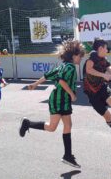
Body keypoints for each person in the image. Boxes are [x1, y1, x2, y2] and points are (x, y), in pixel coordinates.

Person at [18, 40, 85, 168]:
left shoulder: (63, 66)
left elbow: (47, 75)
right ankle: (28, 123)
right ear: (74, 56)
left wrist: (35, 84)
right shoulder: (70, 67)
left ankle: (68, 155)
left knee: (65, 125)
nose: (81, 59)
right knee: (54, 127)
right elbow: (61, 81)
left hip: (60, 100)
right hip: (60, 100)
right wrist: (72, 94)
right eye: (80, 56)